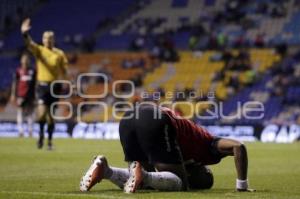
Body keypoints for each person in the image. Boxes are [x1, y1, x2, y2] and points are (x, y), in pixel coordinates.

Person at [79, 104, 255, 193]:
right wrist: (242, 185)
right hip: (155, 118)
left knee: (142, 184)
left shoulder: (185, 157)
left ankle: (105, 170)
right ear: (200, 170)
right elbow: (238, 146)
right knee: (179, 184)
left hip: (129, 118)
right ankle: (124, 173)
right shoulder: (209, 146)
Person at [21, 18, 68, 150]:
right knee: (41, 114)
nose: (47, 40)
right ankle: (41, 135)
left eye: (49, 38)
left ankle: (50, 141)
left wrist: (70, 83)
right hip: (42, 86)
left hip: (55, 87)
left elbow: (64, 71)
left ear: (53, 39)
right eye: (45, 38)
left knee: (51, 117)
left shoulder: (59, 54)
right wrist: (25, 33)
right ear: (42, 39)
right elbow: (29, 44)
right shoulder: (39, 50)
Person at [10, 53, 36, 137]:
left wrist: (36, 95)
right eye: (24, 59)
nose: (25, 61)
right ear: (21, 61)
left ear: (29, 61)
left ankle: (30, 131)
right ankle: (20, 131)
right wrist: (13, 94)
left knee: (30, 113)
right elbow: (15, 83)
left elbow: (35, 84)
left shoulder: (33, 71)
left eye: (27, 59)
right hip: (21, 95)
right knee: (20, 112)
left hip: (31, 95)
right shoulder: (18, 71)